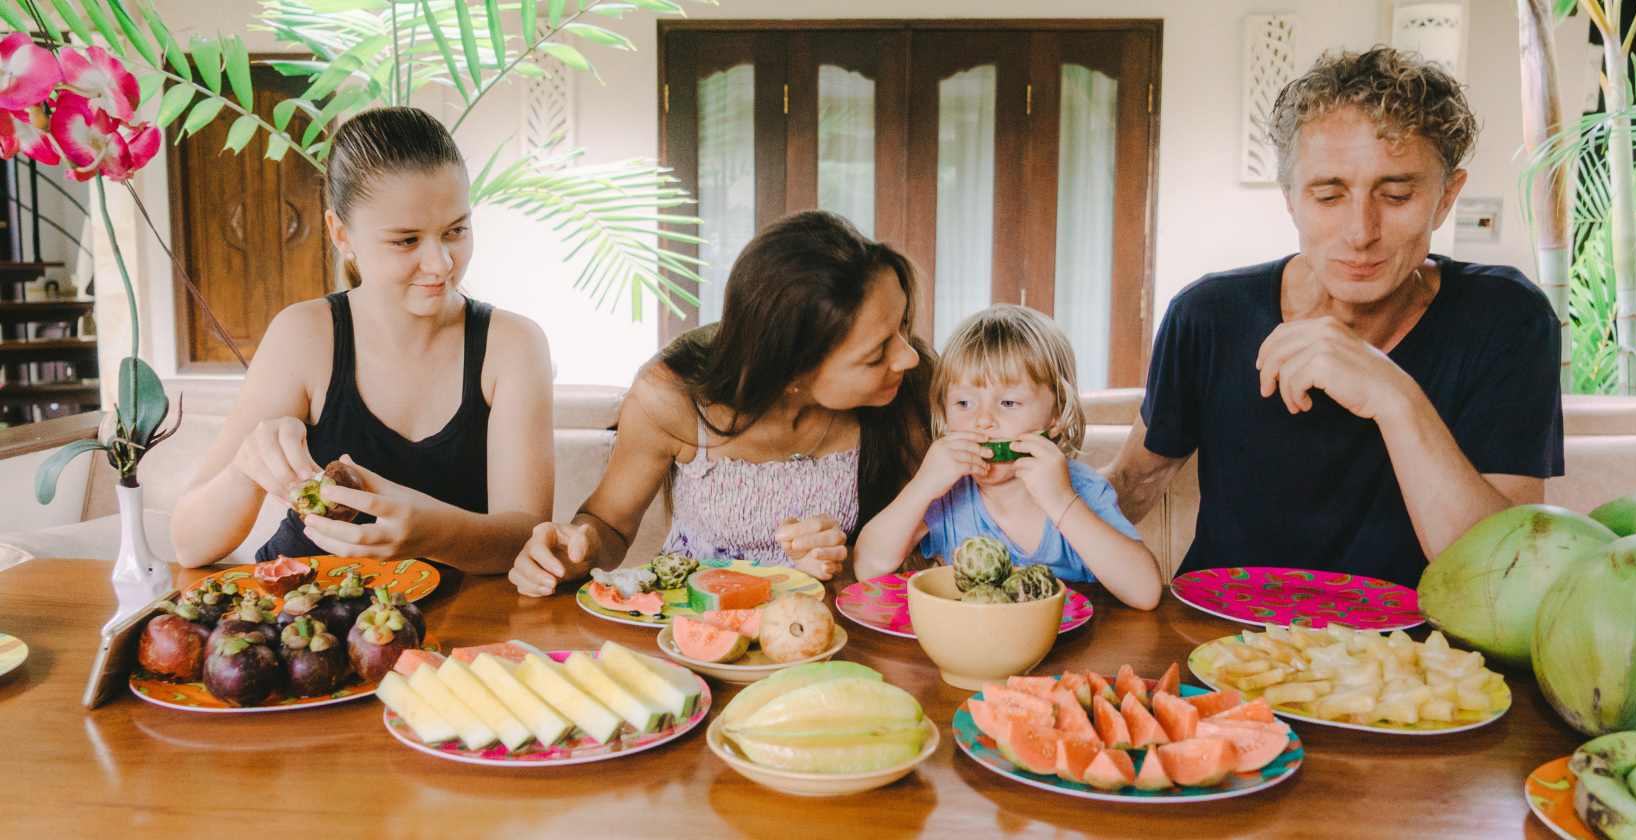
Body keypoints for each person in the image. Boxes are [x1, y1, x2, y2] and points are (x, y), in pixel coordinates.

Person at [1104, 47, 1564, 589]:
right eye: (1328, 195)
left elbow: (1500, 577)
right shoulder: (1208, 315)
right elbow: (1135, 483)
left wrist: (1392, 395)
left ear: (1445, 198)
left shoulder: (1508, 320)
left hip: (1412, 659)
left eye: (1395, 194)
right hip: (1218, 644)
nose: (1360, 231)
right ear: (1291, 200)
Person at [170, 107, 556, 573]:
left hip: (459, 626)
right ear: (341, 233)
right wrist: (245, 469)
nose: (441, 264)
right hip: (303, 613)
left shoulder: (512, 345)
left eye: (455, 230)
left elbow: (526, 538)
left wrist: (428, 532)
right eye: (406, 240)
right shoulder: (304, 336)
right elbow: (190, 547)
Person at [508, 211, 933, 595]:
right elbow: (609, 524)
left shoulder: (909, 385)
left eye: (904, 326)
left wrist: (846, 562)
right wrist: (576, 551)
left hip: (836, 633)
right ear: (791, 371)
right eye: (876, 353)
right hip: (691, 628)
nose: (908, 356)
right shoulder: (672, 395)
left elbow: (929, 546)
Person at [856, 305, 1161, 610]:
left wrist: (1062, 502)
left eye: (1008, 402)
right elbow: (869, 566)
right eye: (964, 402)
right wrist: (921, 487)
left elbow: (1146, 593)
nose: (982, 420)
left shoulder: (1082, 489)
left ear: (1056, 416)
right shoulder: (948, 495)